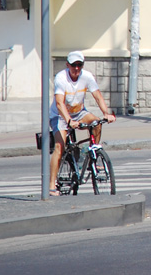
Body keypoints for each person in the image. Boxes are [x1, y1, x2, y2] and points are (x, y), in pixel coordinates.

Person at [48, 51, 115, 195]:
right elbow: (59, 104)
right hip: (59, 116)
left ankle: (94, 156)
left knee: (97, 122)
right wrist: (69, 121)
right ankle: (51, 185)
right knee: (60, 146)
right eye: (73, 65)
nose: (77, 68)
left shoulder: (87, 76)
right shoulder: (61, 78)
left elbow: (97, 96)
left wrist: (106, 114)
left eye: (79, 65)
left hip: (79, 112)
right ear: (68, 65)